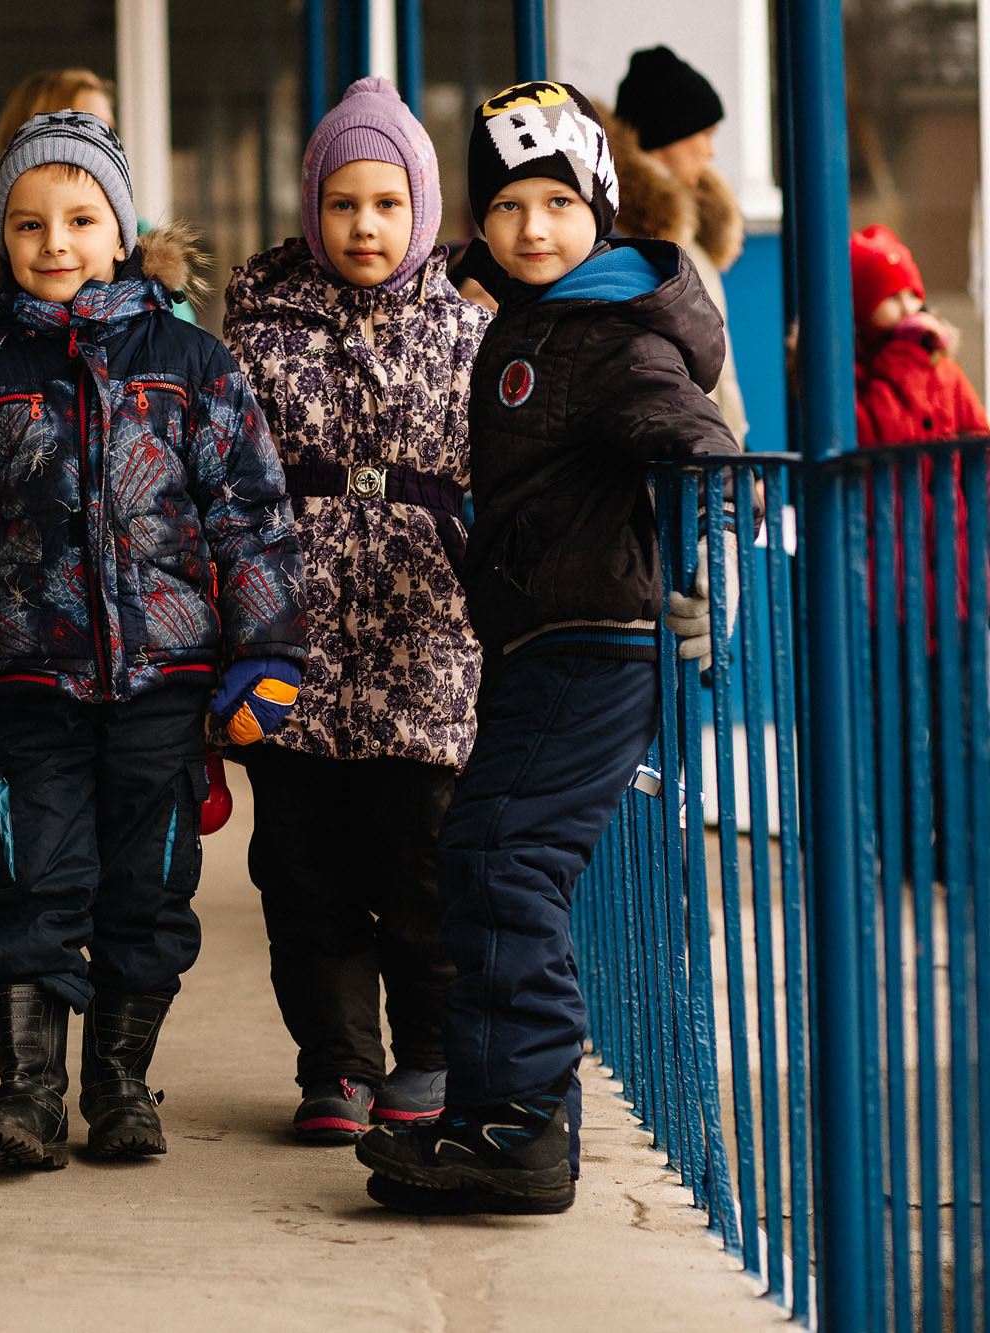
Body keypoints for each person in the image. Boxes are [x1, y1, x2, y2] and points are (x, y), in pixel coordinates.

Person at [0, 110, 307, 1170]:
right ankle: (26, 1089)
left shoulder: (191, 362)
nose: (54, 242)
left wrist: (266, 650)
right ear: (1, 237)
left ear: (122, 231)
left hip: (167, 679)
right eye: (28, 223)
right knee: (33, 876)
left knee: (146, 886)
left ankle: (119, 1081)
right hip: (32, 679)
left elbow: (248, 514)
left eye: (78, 218)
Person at [355, 81, 742, 1215]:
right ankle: (497, 1115)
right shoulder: (535, 320)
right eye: (510, 204)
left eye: (557, 205)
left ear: (601, 210)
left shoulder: (604, 332)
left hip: (596, 640)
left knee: (499, 859)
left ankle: (517, 1126)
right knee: (480, 854)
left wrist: (707, 560)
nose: (532, 227)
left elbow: (691, 443)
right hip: (543, 641)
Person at [222, 76, 488, 1146]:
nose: (364, 226)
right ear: (309, 208)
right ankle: (335, 1061)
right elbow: (221, 480)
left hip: (423, 632)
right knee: (301, 865)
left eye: (385, 204)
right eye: (342, 204)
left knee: (417, 860)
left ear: (419, 210)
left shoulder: (466, 334)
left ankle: (426, 1050)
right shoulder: (256, 330)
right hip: (289, 626)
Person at [0, 69, 196, 334]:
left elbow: (181, 337)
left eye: (109, 129)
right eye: (87, 124)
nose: (103, 141)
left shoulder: (140, 240)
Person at [607, 44, 748, 443]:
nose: (711, 150)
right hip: (677, 465)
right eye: (703, 133)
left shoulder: (690, 237)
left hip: (713, 455)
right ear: (665, 134)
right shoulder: (627, 243)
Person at [850, 222, 987, 632]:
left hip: (955, 577)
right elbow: (876, 438)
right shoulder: (856, 373)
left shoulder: (943, 368)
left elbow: (978, 444)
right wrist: (904, 359)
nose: (910, 308)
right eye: (892, 297)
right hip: (889, 589)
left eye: (914, 295)